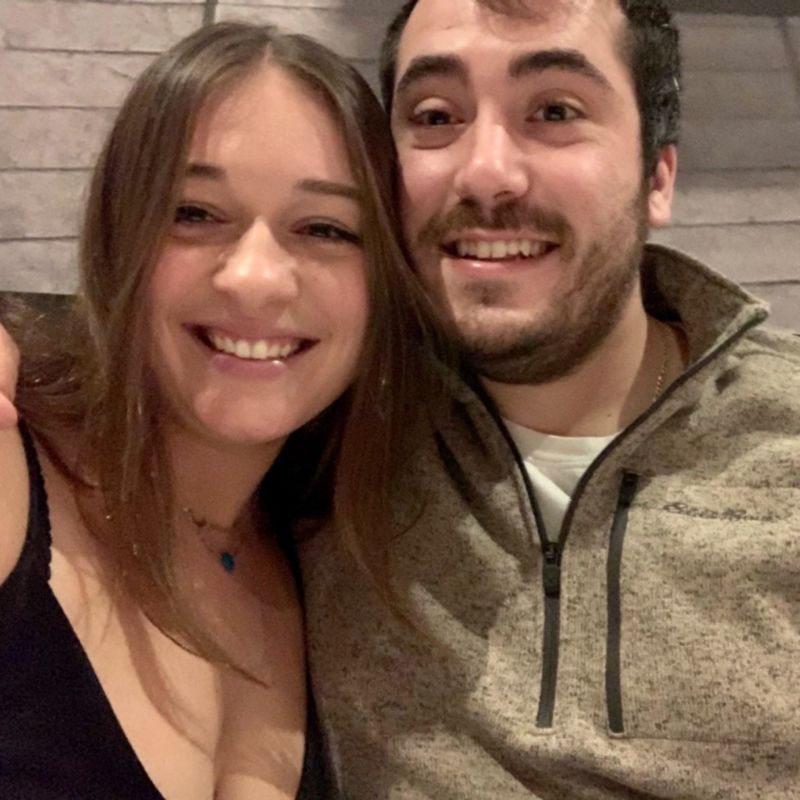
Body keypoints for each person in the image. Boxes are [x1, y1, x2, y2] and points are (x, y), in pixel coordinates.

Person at [293, 0, 800, 797]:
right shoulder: (320, 414)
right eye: (436, 116)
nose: (485, 172)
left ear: (657, 177)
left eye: (556, 111)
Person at [0, 20, 450, 799]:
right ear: (118, 236)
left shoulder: (326, 554)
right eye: (195, 214)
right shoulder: (14, 472)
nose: (255, 278)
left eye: (325, 228)